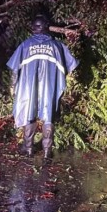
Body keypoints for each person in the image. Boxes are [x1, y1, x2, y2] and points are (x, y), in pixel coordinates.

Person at [7, 14, 78, 159]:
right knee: (49, 116)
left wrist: (12, 86)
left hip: (28, 88)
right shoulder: (57, 46)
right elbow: (71, 66)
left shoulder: (25, 45)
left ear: (33, 28)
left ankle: (28, 149)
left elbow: (14, 69)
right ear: (47, 28)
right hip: (50, 87)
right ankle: (47, 152)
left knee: (28, 114)